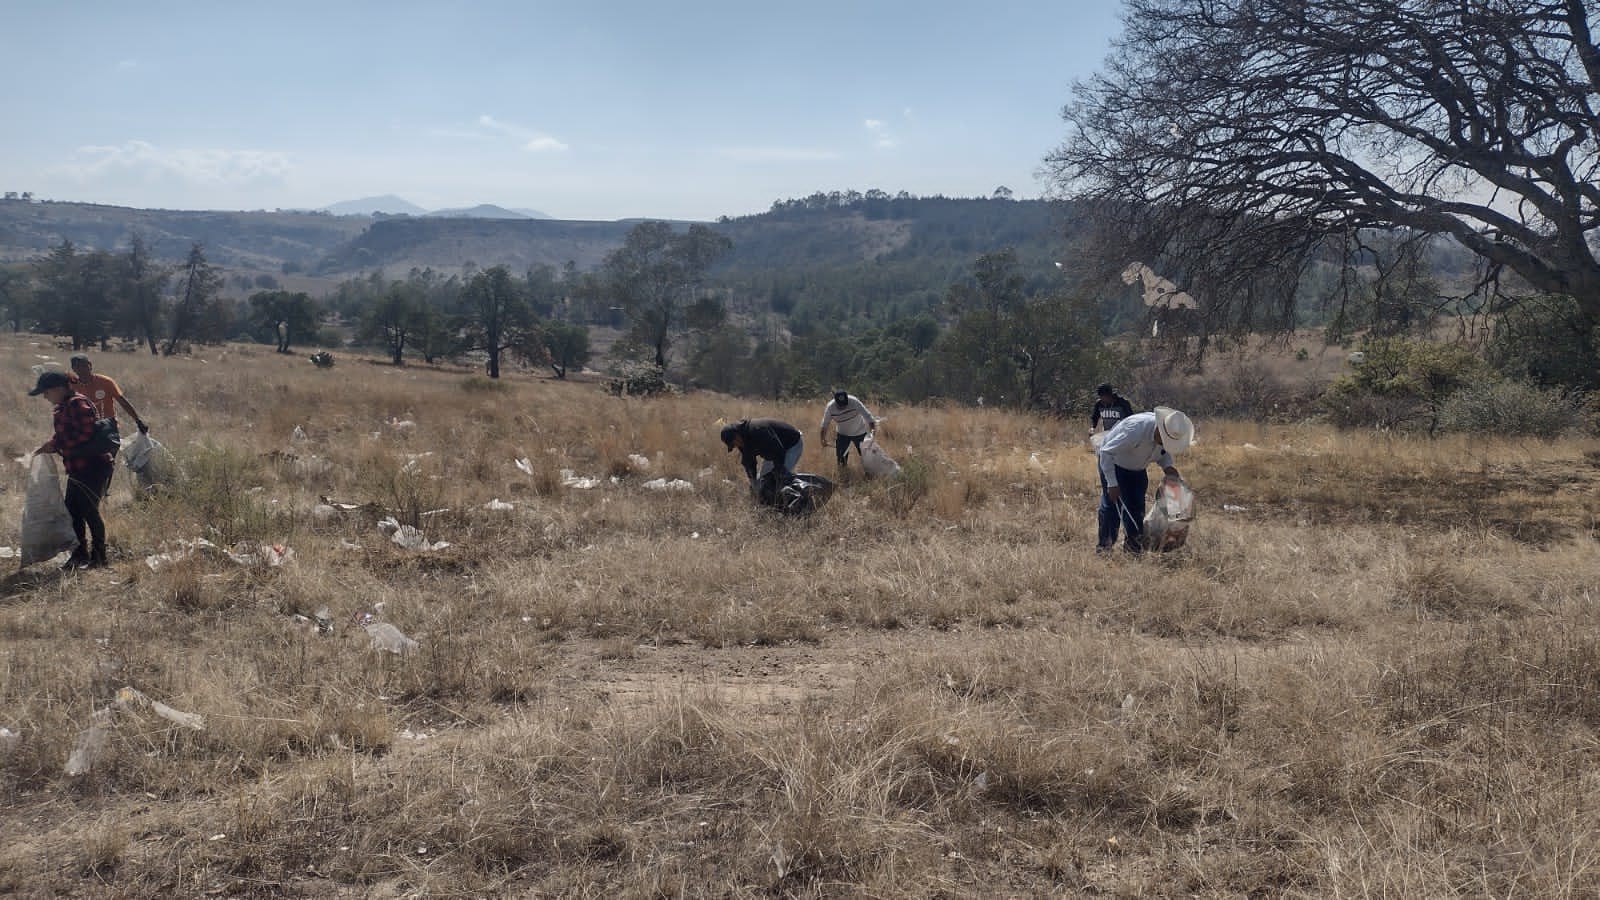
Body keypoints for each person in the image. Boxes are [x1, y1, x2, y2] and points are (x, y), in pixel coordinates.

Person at [30, 370, 113, 569]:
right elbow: (65, 434)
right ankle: (80, 554)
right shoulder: (63, 407)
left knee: (89, 510)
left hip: (93, 466)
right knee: (72, 511)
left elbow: (85, 433)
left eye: (47, 392)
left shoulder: (77, 403)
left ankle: (99, 557)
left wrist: (57, 445)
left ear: (59, 389)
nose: (45, 396)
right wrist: (50, 444)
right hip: (77, 467)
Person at [1096, 406, 1193, 553]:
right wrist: (1112, 483)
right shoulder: (1135, 430)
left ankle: (1132, 548)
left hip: (1138, 469)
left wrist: (1167, 466)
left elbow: (1162, 452)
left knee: (1136, 507)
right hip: (1114, 464)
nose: (1165, 443)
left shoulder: (1164, 437)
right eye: (1165, 439)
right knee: (1112, 506)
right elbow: (1106, 452)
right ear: (1159, 430)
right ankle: (1105, 547)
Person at [69, 353, 147, 436]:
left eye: (84, 366)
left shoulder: (106, 382)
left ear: (90, 365)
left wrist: (138, 421)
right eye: (78, 367)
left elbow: (122, 401)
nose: (82, 369)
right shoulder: (72, 386)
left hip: (108, 425)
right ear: (73, 369)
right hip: (85, 427)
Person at [720, 418, 804, 495]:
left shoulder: (758, 430)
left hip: (791, 445)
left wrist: (778, 472)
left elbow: (778, 451)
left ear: (736, 435)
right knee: (762, 481)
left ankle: (797, 498)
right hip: (773, 451)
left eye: (734, 443)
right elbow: (748, 461)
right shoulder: (742, 440)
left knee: (777, 480)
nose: (736, 446)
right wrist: (753, 482)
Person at [819, 389, 877, 470]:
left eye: (844, 404)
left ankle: (869, 473)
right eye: (840, 405)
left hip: (859, 432)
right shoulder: (830, 407)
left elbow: (868, 417)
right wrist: (822, 439)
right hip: (843, 434)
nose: (843, 407)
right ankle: (843, 474)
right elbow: (824, 424)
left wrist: (872, 433)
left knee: (866, 456)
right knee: (841, 458)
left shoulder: (854, 401)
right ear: (835, 401)